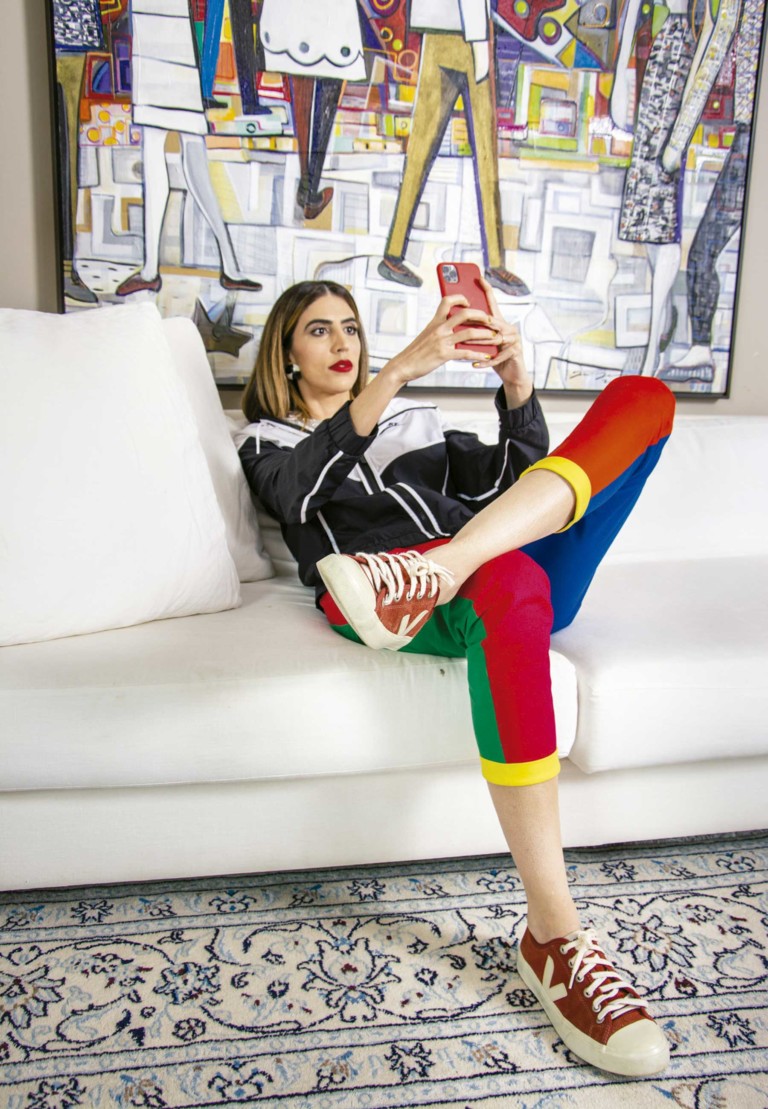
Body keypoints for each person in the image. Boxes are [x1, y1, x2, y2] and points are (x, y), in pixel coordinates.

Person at [236, 279, 675, 1076]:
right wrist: (399, 368)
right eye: (319, 330)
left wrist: (516, 384)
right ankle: (554, 934)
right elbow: (298, 495)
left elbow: (523, 480)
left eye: (351, 327)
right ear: (287, 354)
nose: (342, 341)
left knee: (645, 399)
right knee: (513, 583)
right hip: (382, 593)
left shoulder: (420, 426)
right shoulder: (267, 442)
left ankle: (446, 564)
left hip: (469, 566)